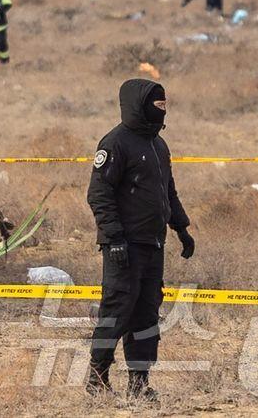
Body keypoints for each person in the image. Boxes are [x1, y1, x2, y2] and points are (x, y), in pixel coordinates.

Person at [85, 78, 195, 400]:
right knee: (116, 312)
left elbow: (168, 192)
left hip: (153, 244)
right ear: (140, 105)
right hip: (123, 247)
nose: (162, 111)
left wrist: (181, 228)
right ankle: (97, 378)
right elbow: (99, 194)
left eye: (164, 106)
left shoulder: (158, 145)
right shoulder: (115, 143)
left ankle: (139, 383)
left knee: (147, 316)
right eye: (157, 105)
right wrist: (114, 237)